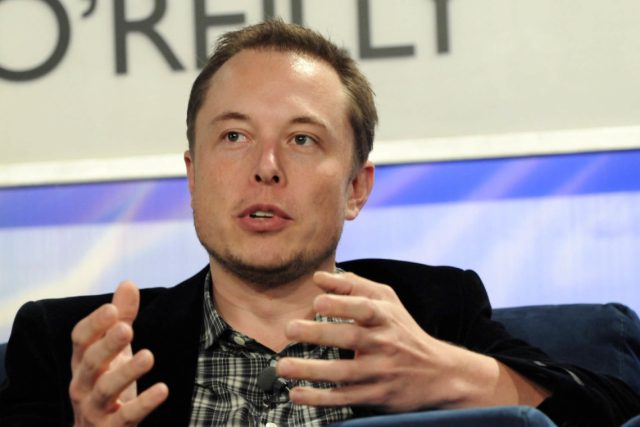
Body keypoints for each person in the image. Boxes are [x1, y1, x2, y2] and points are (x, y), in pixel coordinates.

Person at [1, 19, 639, 427]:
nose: (266, 168)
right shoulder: (77, 349)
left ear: (357, 187)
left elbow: (614, 411)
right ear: (192, 176)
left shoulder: (431, 312)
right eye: (234, 136)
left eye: (303, 140)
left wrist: (453, 375)